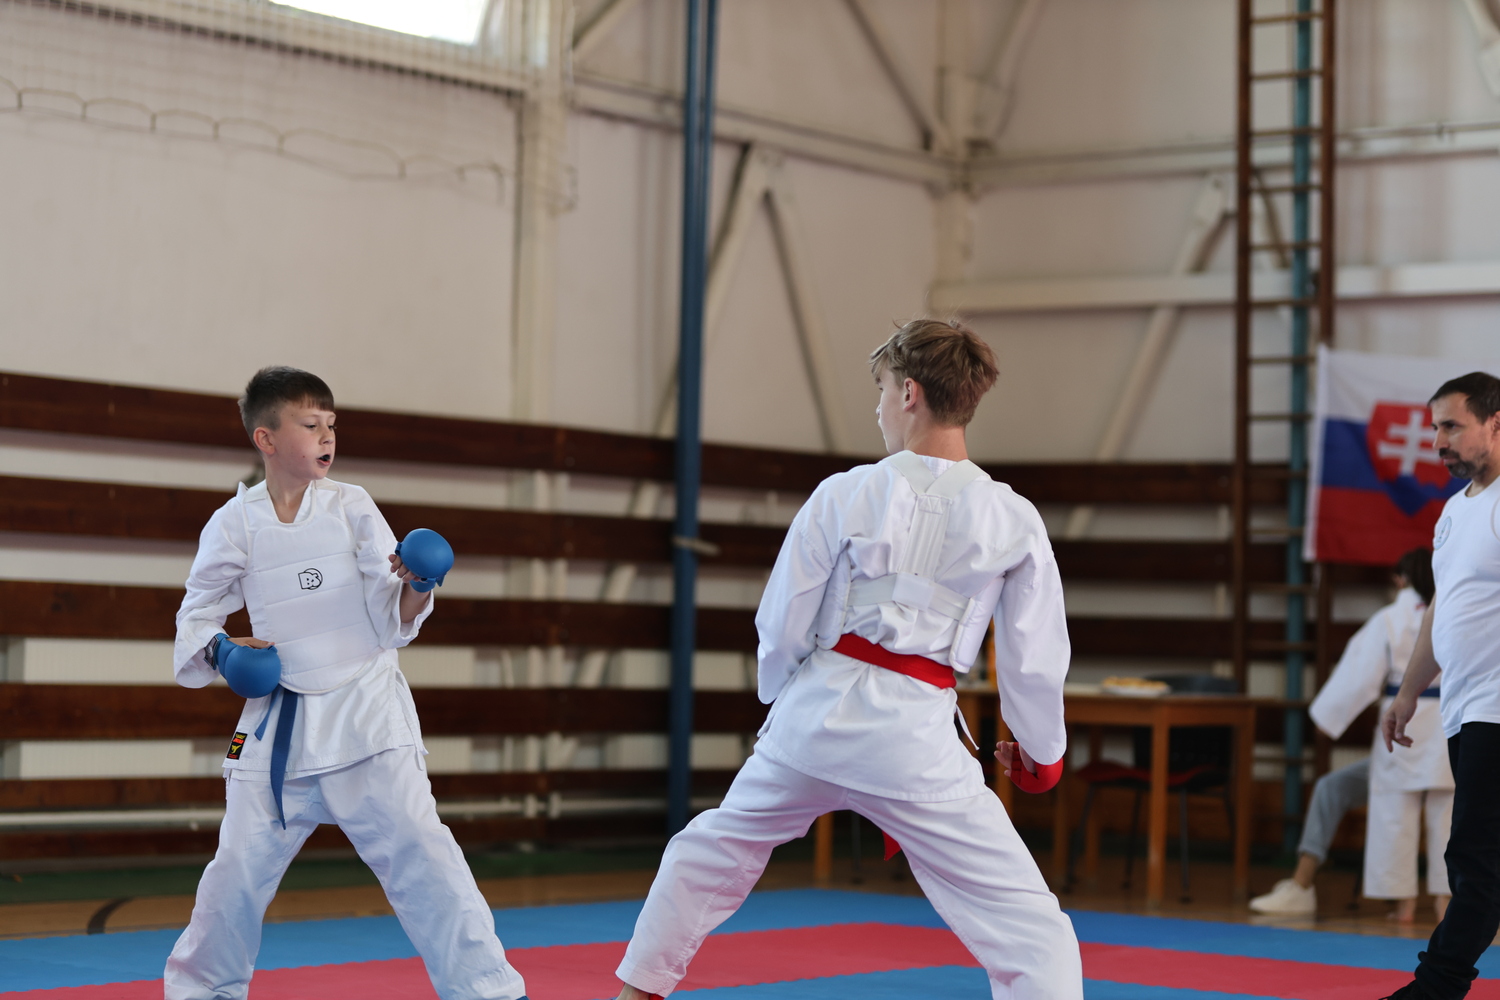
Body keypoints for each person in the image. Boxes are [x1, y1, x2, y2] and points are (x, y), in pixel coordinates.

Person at [613, 319, 1082, 1000]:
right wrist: (1042, 756)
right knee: (1030, 926)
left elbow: (782, 619)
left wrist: (782, 700)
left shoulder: (845, 492)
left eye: (883, 390)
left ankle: (637, 992)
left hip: (817, 719)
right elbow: (1033, 654)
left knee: (708, 851)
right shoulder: (1012, 518)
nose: (879, 408)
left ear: (910, 394)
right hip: (918, 743)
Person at [163, 367, 528, 1000]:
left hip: (367, 714)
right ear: (266, 439)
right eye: (310, 424)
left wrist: (418, 584)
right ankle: (202, 993)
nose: (327, 436)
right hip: (280, 726)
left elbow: (392, 620)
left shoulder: (352, 506)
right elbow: (195, 616)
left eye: (331, 424)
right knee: (235, 873)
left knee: (424, 854)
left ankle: (490, 992)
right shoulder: (235, 523)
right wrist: (222, 650)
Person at [1380, 372, 1500, 1000]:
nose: (1437, 442)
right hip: (1464, 706)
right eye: (1434, 428)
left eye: (1451, 426)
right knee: (1482, 858)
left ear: (1495, 424)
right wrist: (1408, 692)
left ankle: (1436, 987)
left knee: (1475, 859)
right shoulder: (1455, 512)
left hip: (1496, 708)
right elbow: (1441, 611)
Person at [1255, 550, 1450, 921]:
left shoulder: (1390, 619)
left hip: (1403, 720)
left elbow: (1359, 675)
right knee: (1450, 815)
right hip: (1449, 726)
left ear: (1400, 580)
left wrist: (1327, 718)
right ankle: (1448, 902)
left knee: (1394, 811)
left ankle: (1404, 904)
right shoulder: (1455, 613)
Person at [1248, 758, 1368, 916]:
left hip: (1401, 762)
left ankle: (1401, 903)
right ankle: (1301, 886)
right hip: (1386, 756)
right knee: (1328, 787)